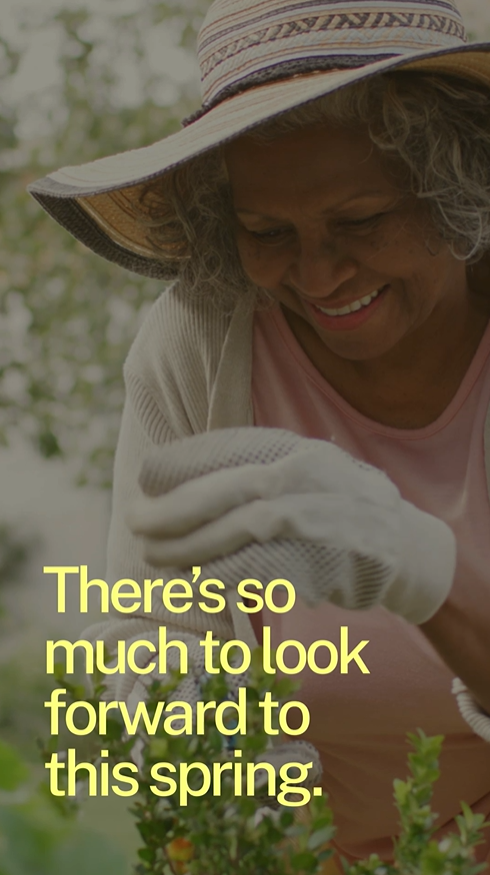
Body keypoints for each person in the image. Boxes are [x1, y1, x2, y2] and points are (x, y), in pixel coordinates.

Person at [30, 0, 490, 865]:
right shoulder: (198, 341)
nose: (317, 275)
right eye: (265, 232)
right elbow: (145, 627)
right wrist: (187, 724)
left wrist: (432, 575)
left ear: (458, 180)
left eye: (360, 221)